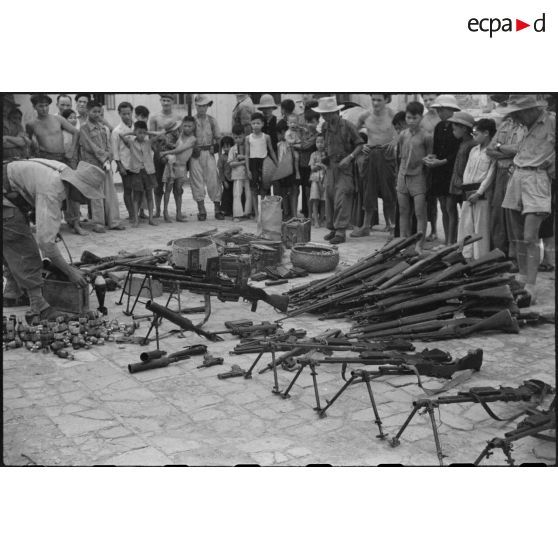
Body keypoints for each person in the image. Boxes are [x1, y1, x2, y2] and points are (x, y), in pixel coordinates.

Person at [3, 158, 104, 318]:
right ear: (77, 186)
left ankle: (12, 292)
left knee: (8, 244)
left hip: (8, 189)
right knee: (24, 249)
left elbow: (32, 190)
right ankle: (39, 307)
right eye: (86, 194)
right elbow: (46, 244)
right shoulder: (52, 190)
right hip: (5, 197)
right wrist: (70, 272)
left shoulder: (62, 171)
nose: (87, 201)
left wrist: (48, 224)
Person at [501, 95, 555, 304]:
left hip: (537, 178)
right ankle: (523, 279)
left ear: (532, 109)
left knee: (530, 236)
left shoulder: (551, 121)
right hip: (517, 175)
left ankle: (531, 286)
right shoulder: (523, 123)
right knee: (517, 236)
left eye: (519, 112)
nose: (517, 117)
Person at [316, 96, 364, 245]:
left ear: (334, 112)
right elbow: (325, 144)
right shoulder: (325, 126)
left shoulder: (348, 126)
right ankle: (333, 228)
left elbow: (360, 145)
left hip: (345, 166)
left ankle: (341, 231)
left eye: (326, 113)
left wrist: (349, 158)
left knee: (342, 197)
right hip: (331, 166)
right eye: (322, 114)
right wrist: (324, 158)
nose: (323, 116)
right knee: (330, 196)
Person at [352, 94, 397, 238]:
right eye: (373, 99)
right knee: (368, 191)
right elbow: (353, 133)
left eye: (379, 100)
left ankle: (393, 226)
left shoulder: (392, 114)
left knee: (389, 192)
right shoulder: (364, 115)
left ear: (386, 100)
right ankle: (366, 226)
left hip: (387, 155)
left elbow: (402, 131)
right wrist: (361, 145)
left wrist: (395, 142)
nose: (376, 103)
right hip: (370, 154)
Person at [486, 95, 526, 258]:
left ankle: (515, 255)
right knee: (498, 213)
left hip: (515, 172)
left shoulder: (525, 127)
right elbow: (489, 150)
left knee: (513, 215)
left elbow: (521, 149)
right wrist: (505, 150)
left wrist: (500, 147)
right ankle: (499, 252)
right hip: (501, 172)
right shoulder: (505, 124)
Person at [79, 99, 125, 232]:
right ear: (88, 111)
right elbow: (89, 146)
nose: (97, 114)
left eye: (99, 111)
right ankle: (98, 223)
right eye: (94, 111)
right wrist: (103, 157)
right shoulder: (84, 128)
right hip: (93, 165)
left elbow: (108, 144)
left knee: (110, 193)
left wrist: (109, 157)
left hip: (106, 165)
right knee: (96, 195)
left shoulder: (103, 127)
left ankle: (114, 221)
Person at [423, 94, 462, 246]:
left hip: (452, 172)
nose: (439, 113)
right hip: (439, 172)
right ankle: (447, 241)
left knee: (451, 207)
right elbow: (436, 149)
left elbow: (458, 152)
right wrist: (431, 157)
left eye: (442, 110)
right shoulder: (439, 126)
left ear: (451, 110)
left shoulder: (459, 127)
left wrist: (442, 162)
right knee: (443, 207)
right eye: (438, 110)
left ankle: (452, 242)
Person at [457, 118, 497, 260]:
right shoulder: (473, 150)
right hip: (468, 191)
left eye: (476, 133)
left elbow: (490, 175)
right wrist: (465, 188)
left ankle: (481, 258)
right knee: (465, 224)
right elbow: (467, 171)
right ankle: (464, 255)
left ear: (486, 133)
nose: (473, 137)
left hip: (482, 193)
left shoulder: (492, 152)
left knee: (481, 226)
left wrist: (479, 192)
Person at [396, 101, 433, 253]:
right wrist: (398, 176)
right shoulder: (402, 135)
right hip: (402, 176)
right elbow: (399, 157)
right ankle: (404, 242)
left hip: (419, 177)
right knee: (404, 211)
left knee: (419, 213)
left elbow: (430, 157)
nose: (411, 121)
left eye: (414, 118)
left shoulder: (426, 136)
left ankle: (419, 244)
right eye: (408, 118)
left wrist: (427, 167)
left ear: (421, 118)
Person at [119, 120, 162, 227]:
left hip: (148, 172)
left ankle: (151, 219)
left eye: (144, 133)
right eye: (139, 133)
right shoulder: (131, 143)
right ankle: (136, 219)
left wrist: (147, 133)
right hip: (136, 172)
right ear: (135, 132)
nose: (142, 135)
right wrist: (133, 133)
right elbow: (121, 135)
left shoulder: (149, 142)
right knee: (136, 197)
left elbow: (161, 134)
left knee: (149, 195)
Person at [190, 94, 223, 220]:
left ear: (207, 107)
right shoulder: (191, 121)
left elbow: (219, 138)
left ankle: (217, 208)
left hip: (209, 153)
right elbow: (186, 137)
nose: (202, 108)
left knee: (213, 180)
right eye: (200, 106)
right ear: (196, 106)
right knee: (196, 181)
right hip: (195, 155)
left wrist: (215, 147)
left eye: (204, 106)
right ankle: (201, 209)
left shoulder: (212, 120)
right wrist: (192, 149)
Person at [148, 94, 182, 217]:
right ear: (160, 101)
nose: (166, 103)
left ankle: (177, 211)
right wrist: (158, 149)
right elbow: (150, 138)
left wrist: (174, 147)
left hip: (174, 154)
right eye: (164, 100)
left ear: (173, 101)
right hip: (159, 154)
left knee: (176, 184)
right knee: (158, 183)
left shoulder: (178, 117)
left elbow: (181, 137)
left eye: (168, 100)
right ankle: (157, 210)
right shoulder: (154, 117)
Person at [446, 111, 476, 244]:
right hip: (455, 183)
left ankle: (459, 244)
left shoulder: (471, 145)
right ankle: (450, 242)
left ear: (464, 129)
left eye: (455, 127)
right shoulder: (463, 143)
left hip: (464, 185)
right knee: (450, 210)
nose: (453, 129)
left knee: (465, 216)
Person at [159, 117, 196, 222]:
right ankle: (165, 213)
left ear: (194, 127)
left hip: (182, 167)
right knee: (168, 190)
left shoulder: (193, 139)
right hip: (172, 165)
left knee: (178, 191)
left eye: (190, 126)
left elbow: (180, 149)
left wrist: (166, 153)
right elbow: (173, 144)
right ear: (182, 126)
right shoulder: (179, 135)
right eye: (185, 125)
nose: (187, 128)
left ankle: (178, 214)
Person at [26, 94, 79, 162]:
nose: (44, 109)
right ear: (34, 107)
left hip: (62, 156)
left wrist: (71, 150)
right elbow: (29, 142)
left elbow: (75, 132)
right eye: (41, 106)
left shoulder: (58, 119)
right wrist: (31, 156)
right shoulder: (31, 124)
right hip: (44, 158)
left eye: (46, 105)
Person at [245, 112, 278, 220]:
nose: (255, 125)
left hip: (264, 164)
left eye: (258, 123)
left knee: (265, 189)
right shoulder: (248, 138)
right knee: (254, 190)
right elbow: (247, 154)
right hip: (253, 164)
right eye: (253, 123)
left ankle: (264, 214)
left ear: (262, 124)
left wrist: (277, 164)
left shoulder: (266, 137)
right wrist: (248, 170)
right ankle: (256, 214)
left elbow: (271, 151)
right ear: (250, 124)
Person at [421, 94, 442, 242]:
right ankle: (433, 230)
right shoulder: (423, 119)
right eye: (425, 100)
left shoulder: (443, 117)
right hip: (428, 163)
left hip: (443, 161)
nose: (428, 103)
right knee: (430, 199)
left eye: (431, 99)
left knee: (448, 202)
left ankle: (453, 235)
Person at [111, 101, 135, 221]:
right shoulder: (117, 131)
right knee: (128, 189)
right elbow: (115, 152)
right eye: (123, 114)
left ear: (132, 113)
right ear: (119, 114)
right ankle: (131, 213)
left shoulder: (138, 127)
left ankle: (139, 211)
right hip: (125, 165)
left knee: (138, 189)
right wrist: (119, 166)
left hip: (138, 164)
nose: (126, 116)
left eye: (128, 113)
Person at [296, 109, 319, 219]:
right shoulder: (304, 134)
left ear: (317, 122)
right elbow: (300, 143)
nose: (310, 125)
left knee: (313, 190)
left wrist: (298, 145)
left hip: (313, 167)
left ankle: (314, 214)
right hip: (302, 165)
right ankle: (307, 213)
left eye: (312, 122)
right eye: (308, 122)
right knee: (305, 190)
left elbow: (304, 146)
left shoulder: (318, 136)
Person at [228, 124, 252, 221]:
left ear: (244, 135)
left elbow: (251, 159)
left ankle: (248, 213)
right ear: (233, 136)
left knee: (248, 193)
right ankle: (237, 214)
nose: (238, 139)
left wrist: (243, 159)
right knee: (237, 194)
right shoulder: (232, 149)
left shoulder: (248, 147)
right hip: (237, 175)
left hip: (247, 174)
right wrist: (241, 162)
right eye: (236, 137)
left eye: (240, 137)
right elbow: (230, 163)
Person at [275, 120, 297, 219]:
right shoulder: (279, 145)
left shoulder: (290, 144)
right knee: (283, 192)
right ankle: (286, 212)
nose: (279, 136)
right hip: (282, 172)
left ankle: (291, 213)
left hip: (290, 171)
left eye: (280, 133)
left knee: (289, 191)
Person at [308, 133, 327, 227]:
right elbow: (312, 168)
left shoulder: (327, 154)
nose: (320, 144)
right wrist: (320, 166)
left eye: (322, 142)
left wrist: (320, 165)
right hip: (315, 179)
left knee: (324, 201)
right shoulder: (313, 154)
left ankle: (321, 219)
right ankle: (315, 220)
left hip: (325, 179)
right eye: (317, 142)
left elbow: (328, 168)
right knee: (315, 200)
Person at [218, 136, 234, 217]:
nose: (226, 148)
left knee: (233, 195)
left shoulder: (235, 156)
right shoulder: (222, 158)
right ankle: (224, 210)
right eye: (224, 147)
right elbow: (220, 171)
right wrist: (223, 181)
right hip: (226, 179)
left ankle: (231, 211)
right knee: (226, 195)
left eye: (228, 146)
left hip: (235, 178)